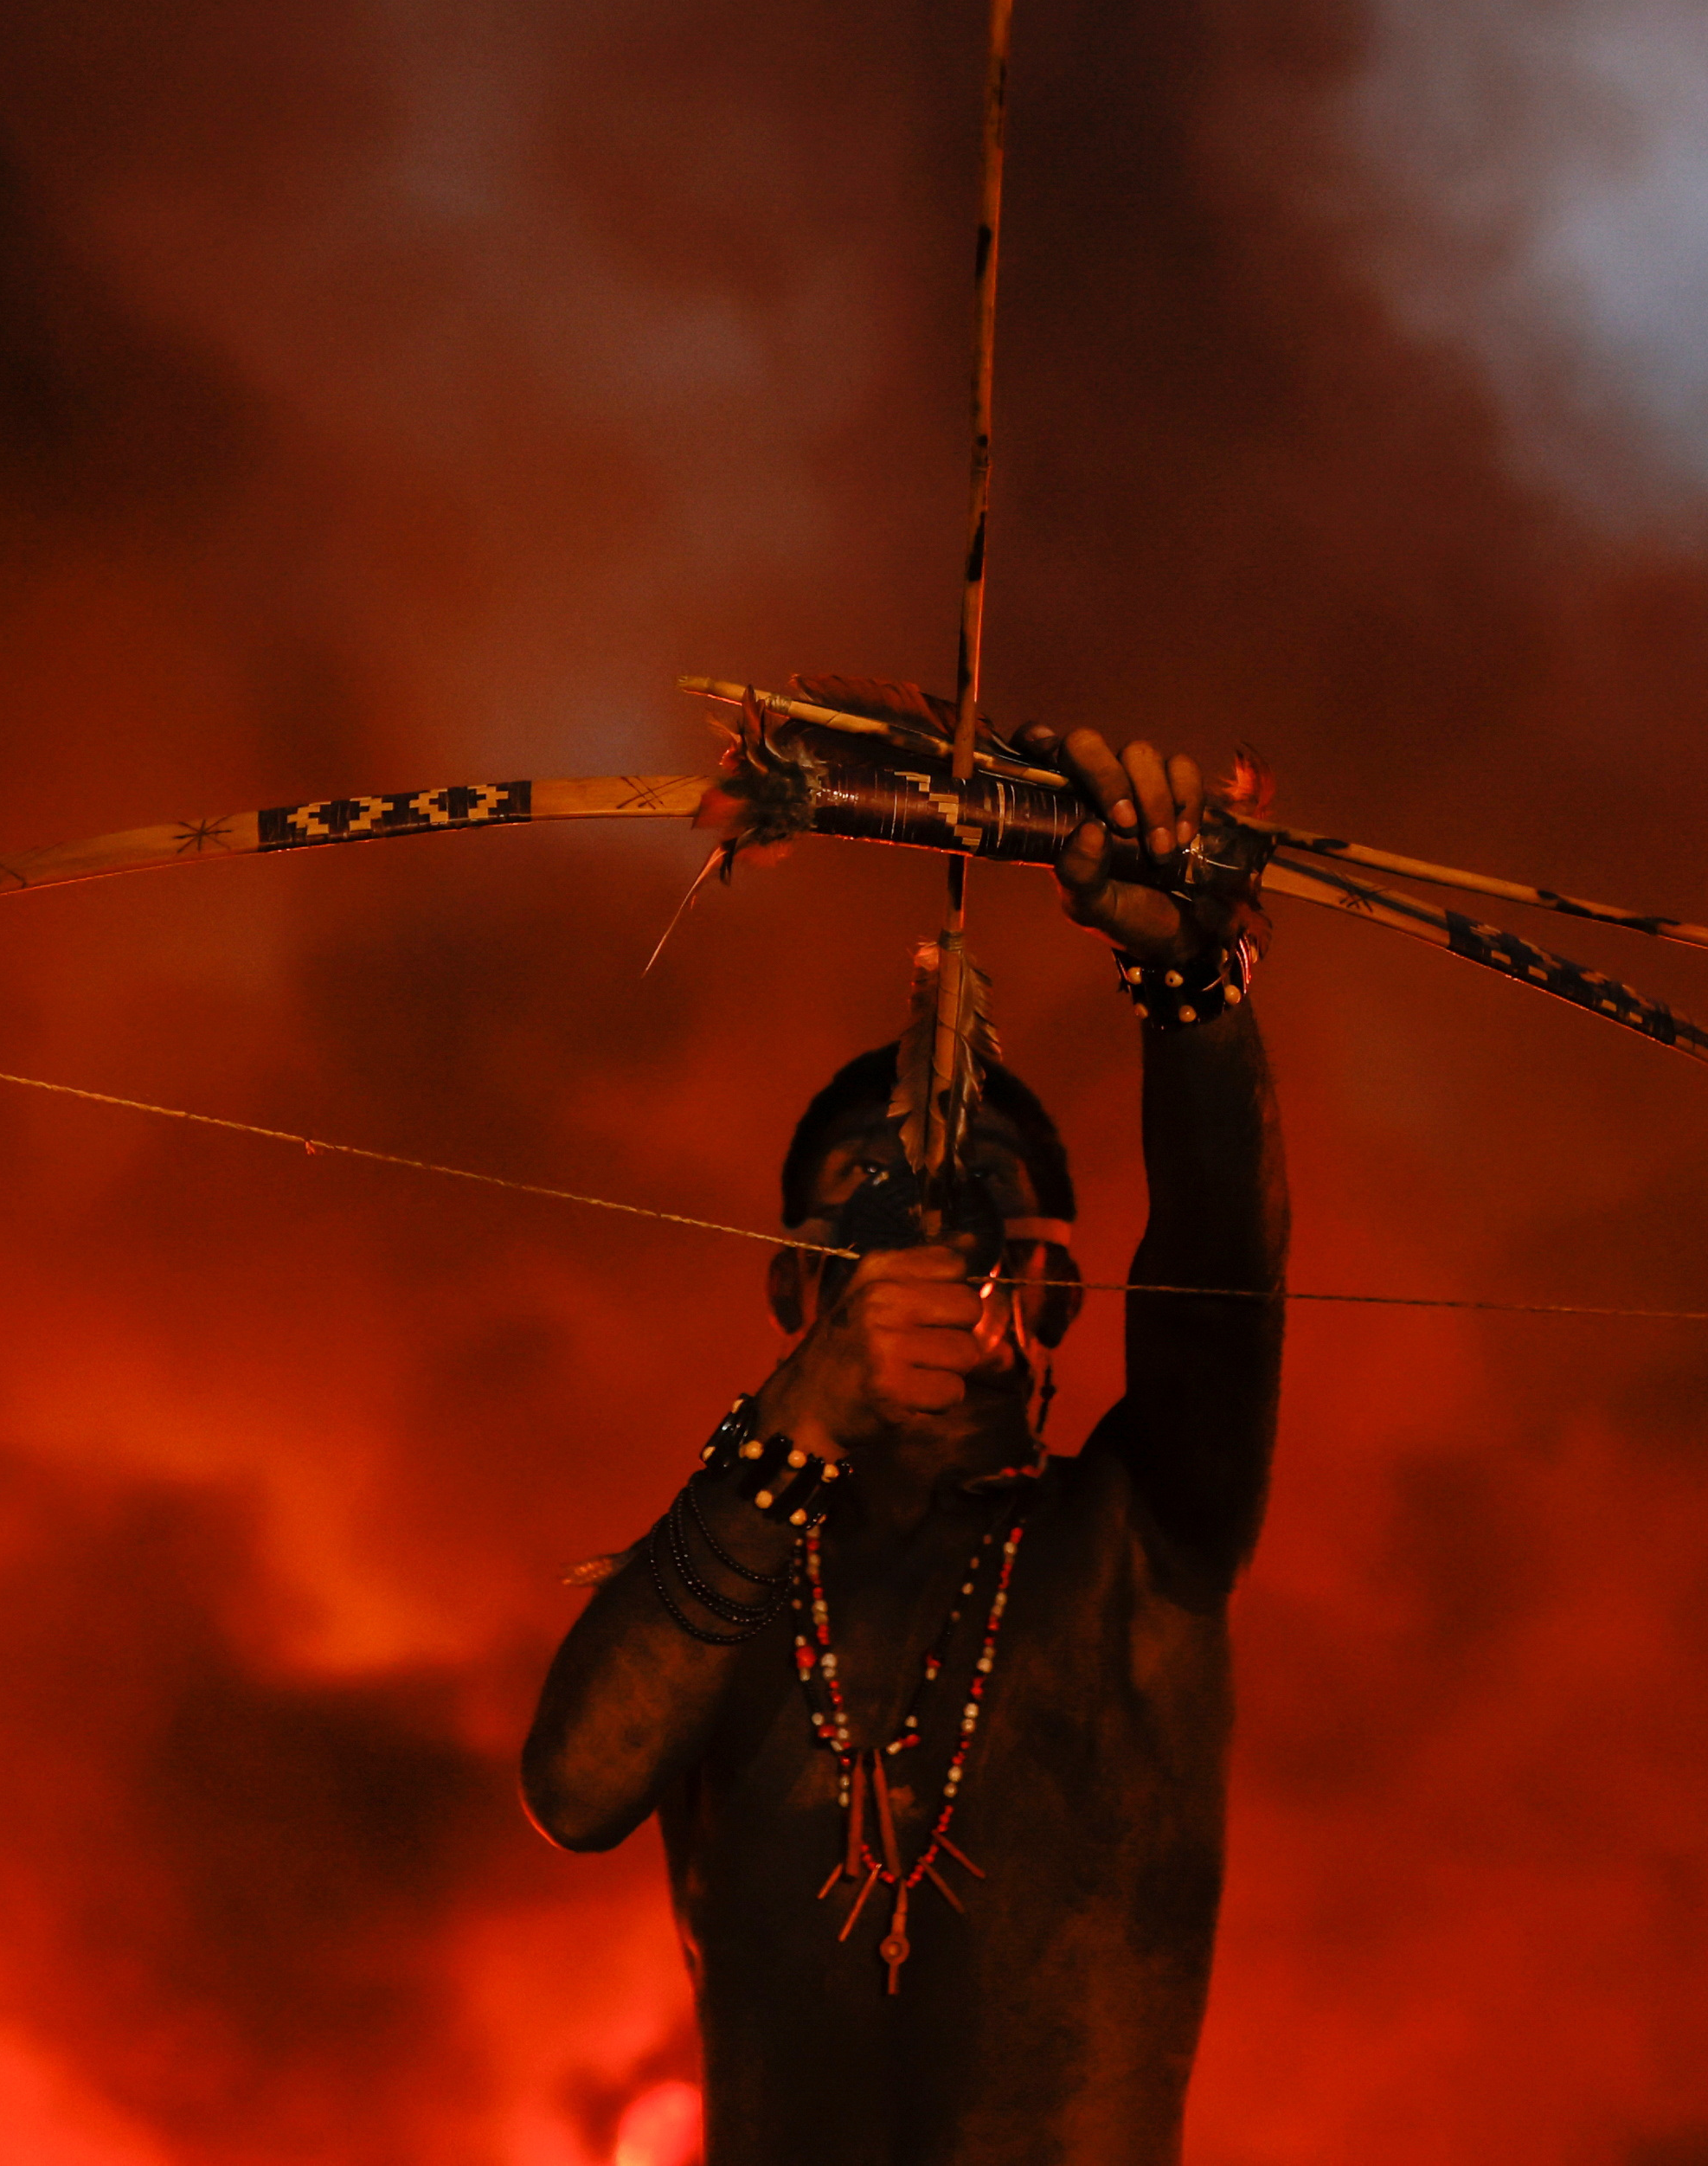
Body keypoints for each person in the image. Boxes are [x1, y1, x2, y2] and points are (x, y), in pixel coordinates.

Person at [521, 723, 1287, 2164]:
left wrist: (1193, 986)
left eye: (978, 1195)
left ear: (1054, 1285)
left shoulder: (1142, 1537)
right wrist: (800, 1417)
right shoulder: (725, 1579)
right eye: (861, 1200)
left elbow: (1221, 1295)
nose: (922, 1221)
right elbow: (573, 1787)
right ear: (791, 1286)